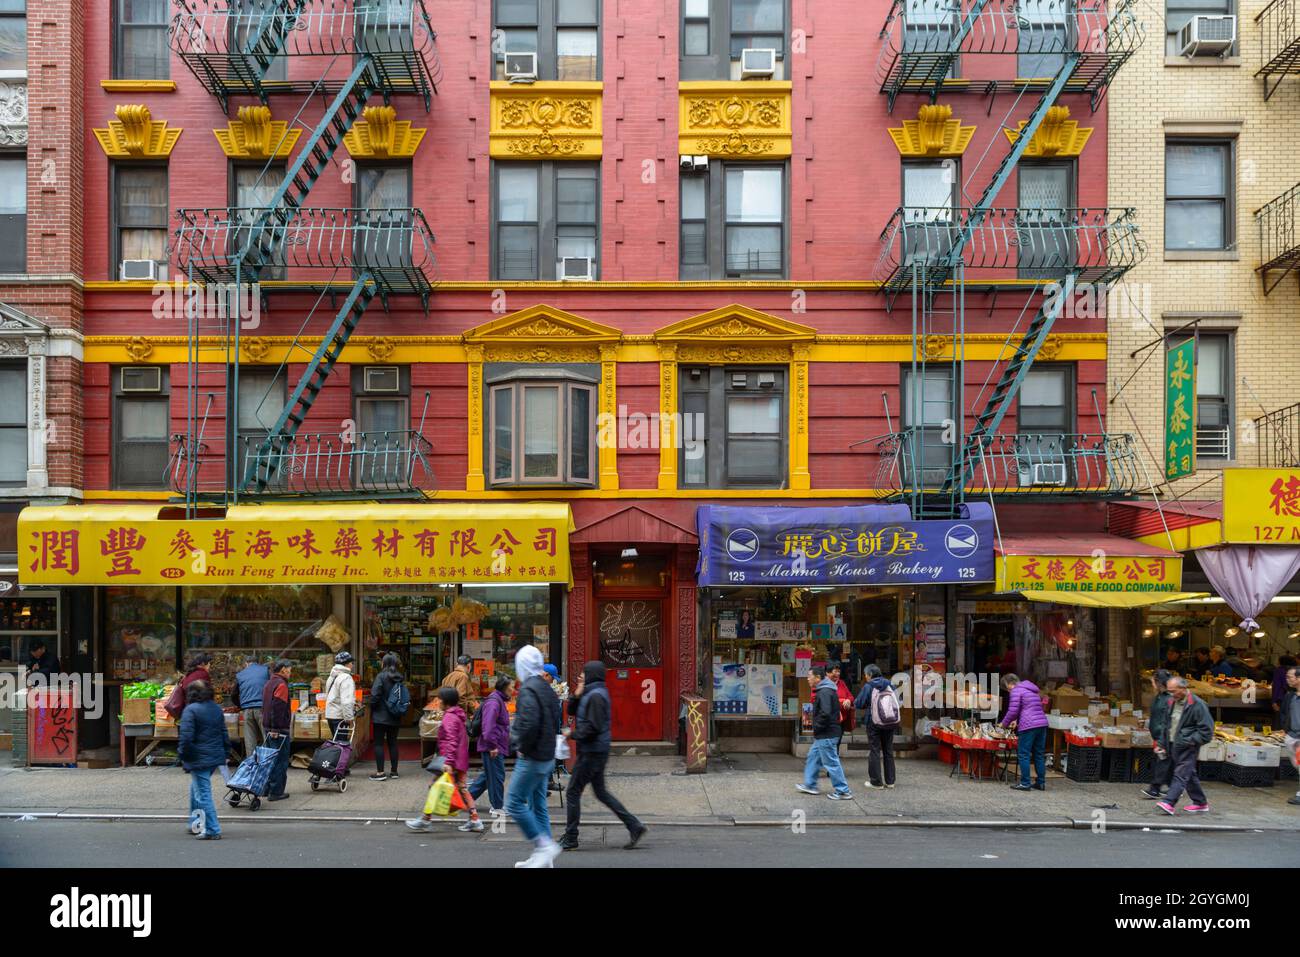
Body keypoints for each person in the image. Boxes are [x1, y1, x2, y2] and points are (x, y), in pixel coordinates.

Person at [559, 661, 647, 852]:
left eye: (584, 673)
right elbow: (572, 710)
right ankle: (634, 826)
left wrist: (571, 735)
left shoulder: (596, 696)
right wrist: (577, 693)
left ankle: (571, 837)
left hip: (592, 752)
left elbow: (593, 727)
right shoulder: (591, 692)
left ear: (591, 675)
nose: (580, 675)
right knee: (601, 793)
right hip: (594, 750)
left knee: (573, 792)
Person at [504, 644, 563, 868]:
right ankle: (545, 857)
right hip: (547, 754)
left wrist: (516, 741)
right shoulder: (547, 688)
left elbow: (527, 723)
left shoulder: (529, 688)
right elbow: (553, 716)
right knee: (538, 805)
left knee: (515, 803)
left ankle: (544, 846)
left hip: (532, 755)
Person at [406, 687, 484, 834]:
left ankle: (425, 819)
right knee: (462, 788)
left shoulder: (449, 717)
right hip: (460, 759)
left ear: (446, 702)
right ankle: (474, 819)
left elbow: (451, 741)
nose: (437, 701)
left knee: (434, 785)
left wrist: (448, 762)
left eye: (439, 699)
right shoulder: (458, 715)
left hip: (451, 760)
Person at [178, 680, 228, 841]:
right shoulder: (216, 708)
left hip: (198, 757)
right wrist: (226, 752)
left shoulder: (190, 710)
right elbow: (224, 732)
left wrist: (184, 755)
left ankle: (213, 829)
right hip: (214, 756)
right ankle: (195, 823)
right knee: (196, 789)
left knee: (202, 794)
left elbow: (186, 738)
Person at [1157, 676, 1214, 815]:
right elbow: (1166, 724)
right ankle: (1200, 802)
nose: (1170, 694)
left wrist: (1190, 741)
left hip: (1188, 746)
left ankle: (1169, 802)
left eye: (1173, 691)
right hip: (1173, 744)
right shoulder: (1171, 701)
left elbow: (1207, 731)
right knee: (1189, 773)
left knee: (1181, 774)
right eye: (1169, 691)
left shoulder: (1198, 704)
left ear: (1183, 689)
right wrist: (1161, 743)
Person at [797, 666, 853, 800]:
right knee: (813, 756)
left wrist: (816, 726)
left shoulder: (824, 692)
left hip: (827, 733)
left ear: (817, 678)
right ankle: (810, 785)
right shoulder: (824, 689)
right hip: (825, 733)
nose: (807, 678)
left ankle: (843, 791)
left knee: (831, 763)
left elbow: (826, 713)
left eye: (810, 676)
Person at [468, 675, 514, 814]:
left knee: (488, 776)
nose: (513, 689)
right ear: (505, 688)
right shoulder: (494, 702)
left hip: (495, 744)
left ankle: (465, 799)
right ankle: (497, 806)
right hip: (493, 746)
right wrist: (492, 745)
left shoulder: (498, 700)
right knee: (497, 776)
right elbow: (488, 727)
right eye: (511, 686)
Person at [854, 664, 899, 790]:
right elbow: (898, 702)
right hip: (890, 721)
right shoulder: (890, 685)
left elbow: (859, 703)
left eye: (865, 675)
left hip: (873, 722)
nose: (865, 677)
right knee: (888, 750)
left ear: (869, 675)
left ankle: (876, 782)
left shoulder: (869, 686)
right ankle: (890, 781)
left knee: (875, 750)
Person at [1001, 673, 1049, 792]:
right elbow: (1028, 708)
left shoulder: (1016, 691)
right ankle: (1040, 783)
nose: (1008, 691)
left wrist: (1004, 723)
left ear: (1009, 684)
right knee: (1038, 754)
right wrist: (1016, 720)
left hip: (1029, 726)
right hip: (1042, 724)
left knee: (1024, 754)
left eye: (1007, 688)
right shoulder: (1031, 690)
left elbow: (1013, 710)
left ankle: (1025, 783)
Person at [369, 653, 407, 781]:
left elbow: (375, 695)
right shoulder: (399, 677)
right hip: (395, 715)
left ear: (384, 663)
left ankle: (380, 772)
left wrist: (372, 707)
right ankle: (394, 771)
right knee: (393, 743)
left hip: (380, 715)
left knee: (379, 744)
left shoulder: (381, 676)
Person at [261, 659, 293, 802]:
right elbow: (278, 707)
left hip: (268, 726)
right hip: (278, 729)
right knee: (280, 761)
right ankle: (276, 792)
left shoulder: (269, 683)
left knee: (270, 759)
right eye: (289, 669)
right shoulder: (281, 684)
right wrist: (275, 728)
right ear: (283, 670)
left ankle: (266, 788)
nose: (290, 672)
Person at [1141, 669, 1174, 800]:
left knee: (1162, 761)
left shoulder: (1169, 699)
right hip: (1160, 735)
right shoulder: (1160, 696)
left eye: (1153, 682)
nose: (1152, 685)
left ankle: (1155, 789)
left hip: (1165, 736)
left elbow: (1167, 719)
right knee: (1168, 762)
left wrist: (1161, 736)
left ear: (1159, 683)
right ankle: (1174, 787)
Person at [231, 655, 270, 755]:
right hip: (262, 708)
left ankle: (252, 764)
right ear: (258, 662)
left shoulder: (240, 674)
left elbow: (234, 694)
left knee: (250, 740)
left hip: (247, 710)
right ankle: (266, 762)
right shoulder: (265, 670)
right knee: (266, 738)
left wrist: (240, 705)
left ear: (246, 664)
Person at [323, 651, 356, 736]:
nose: (352, 665)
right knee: (341, 745)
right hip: (340, 717)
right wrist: (349, 717)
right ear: (346, 664)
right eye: (351, 662)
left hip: (330, 715)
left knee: (336, 743)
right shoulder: (346, 677)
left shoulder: (332, 676)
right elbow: (346, 701)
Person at [1283, 664, 1300, 808]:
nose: (1287, 679)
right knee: (1297, 765)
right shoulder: (1292, 696)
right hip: (1292, 736)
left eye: (1290, 677)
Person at [1272, 656, 1297, 725]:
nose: (1277, 663)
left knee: (1280, 719)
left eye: (1278, 661)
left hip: (1282, 698)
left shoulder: (1279, 670)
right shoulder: (1296, 670)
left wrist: (1274, 701)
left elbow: (1276, 686)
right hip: (1295, 698)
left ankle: (1279, 733)